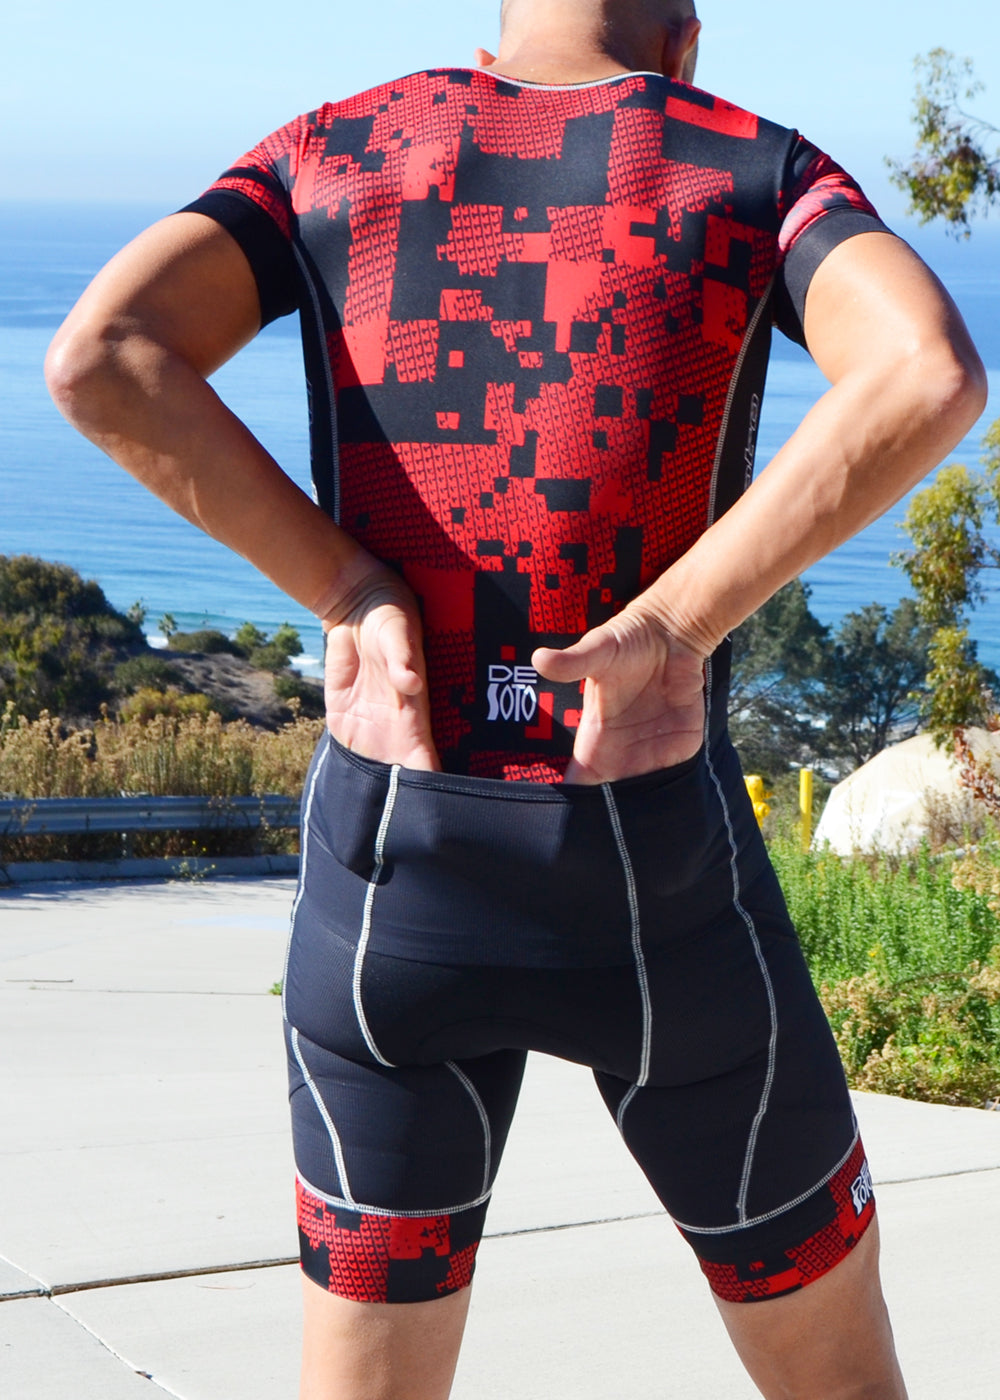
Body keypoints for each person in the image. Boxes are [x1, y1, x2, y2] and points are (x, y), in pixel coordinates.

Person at [46, 2, 986, 1396]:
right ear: (685, 38)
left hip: (393, 859)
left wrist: (348, 586)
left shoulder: (335, 150)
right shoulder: (750, 166)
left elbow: (100, 354)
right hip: (652, 864)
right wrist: (670, 625)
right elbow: (928, 371)